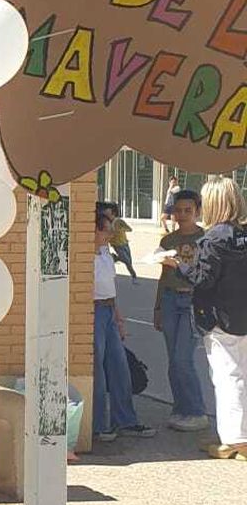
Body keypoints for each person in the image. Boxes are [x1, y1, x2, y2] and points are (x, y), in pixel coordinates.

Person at [189, 177, 247, 460]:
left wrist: (178, 265)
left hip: (218, 317)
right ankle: (237, 433)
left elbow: (204, 280)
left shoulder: (212, 239)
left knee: (226, 376)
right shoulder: (242, 235)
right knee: (242, 374)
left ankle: (235, 439)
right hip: (243, 313)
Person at [91, 206, 151, 444]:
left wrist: (118, 316)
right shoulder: (84, 256)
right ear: (93, 230)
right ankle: (98, 425)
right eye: (105, 231)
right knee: (97, 370)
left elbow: (110, 286)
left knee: (119, 366)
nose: (109, 236)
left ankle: (125, 419)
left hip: (108, 309)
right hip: (93, 310)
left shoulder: (105, 251)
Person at [153, 187, 211, 431]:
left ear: (198, 211)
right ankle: (180, 409)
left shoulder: (206, 239)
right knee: (172, 360)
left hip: (191, 302)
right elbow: (163, 276)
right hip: (168, 299)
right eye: (178, 210)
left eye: (188, 210)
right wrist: (157, 307)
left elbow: (207, 277)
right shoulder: (168, 240)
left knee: (182, 359)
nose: (182, 215)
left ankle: (196, 411)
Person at [96, 200, 136, 277]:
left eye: (107, 210)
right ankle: (134, 276)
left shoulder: (118, 221)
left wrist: (120, 229)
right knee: (126, 260)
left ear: (113, 212)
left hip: (123, 243)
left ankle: (118, 259)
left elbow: (129, 229)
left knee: (129, 261)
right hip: (116, 244)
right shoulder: (106, 221)